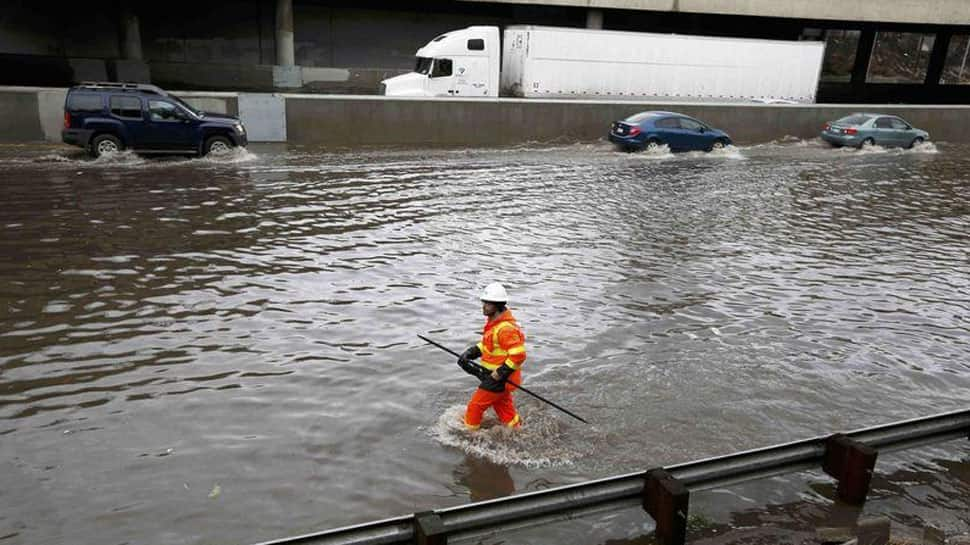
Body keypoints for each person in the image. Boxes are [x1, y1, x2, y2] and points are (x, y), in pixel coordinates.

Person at [456, 282, 527, 430]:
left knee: (475, 407)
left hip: (499, 379)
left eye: (487, 303)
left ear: (497, 305)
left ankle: (470, 435)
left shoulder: (505, 329)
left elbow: (519, 355)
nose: (483, 306)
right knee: (504, 410)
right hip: (497, 378)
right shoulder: (495, 324)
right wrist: (471, 353)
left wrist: (499, 374)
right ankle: (517, 431)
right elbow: (489, 345)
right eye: (484, 302)